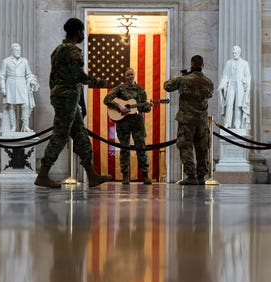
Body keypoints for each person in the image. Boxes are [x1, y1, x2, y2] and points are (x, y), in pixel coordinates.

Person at [34, 17, 112, 188]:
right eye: (82, 32)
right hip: (67, 98)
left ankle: (92, 175)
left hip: (63, 97)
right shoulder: (72, 51)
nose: (83, 35)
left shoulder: (57, 50)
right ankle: (42, 174)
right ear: (78, 32)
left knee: (80, 135)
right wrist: (102, 83)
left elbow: (53, 77)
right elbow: (80, 77)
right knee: (61, 135)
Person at [164, 55, 214, 185]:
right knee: (202, 149)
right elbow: (209, 94)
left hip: (186, 121)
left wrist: (183, 76)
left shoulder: (184, 79)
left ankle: (191, 176)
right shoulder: (209, 82)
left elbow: (167, 86)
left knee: (185, 147)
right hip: (201, 122)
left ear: (191, 64)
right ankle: (201, 177)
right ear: (203, 66)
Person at [103, 68, 153, 185]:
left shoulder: (140, 90)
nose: (130, 77)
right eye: (128, 75)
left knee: (141, 147)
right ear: (125, 77)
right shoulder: (120, 89)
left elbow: (143, 108)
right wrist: (119, 107)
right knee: (124, 148)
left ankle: (145, 175)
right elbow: (107, 99)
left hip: (137, 122)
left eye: (132, 74)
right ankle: (125, 175)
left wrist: (149, 106)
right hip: (123, 123)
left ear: (134, 75)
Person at [0, 43, 39, 133]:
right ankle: (13, 126)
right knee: (11, 106)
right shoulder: (6, 61)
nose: (18, 52)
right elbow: (2, 75)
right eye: (16, 50)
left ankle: (25, 126)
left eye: (19, 50)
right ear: (12, 51)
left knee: (25, 104)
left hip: (22, 84)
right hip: (11, 84)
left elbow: (28, 73)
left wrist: (31, 81)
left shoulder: (24, 61)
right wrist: (3, 88)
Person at [218, 45, 251, 129]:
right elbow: (225, 76)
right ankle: (227, 123)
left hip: (240, 86)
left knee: (238, 105)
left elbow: (248, 76)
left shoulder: (244, 63)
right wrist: (222, 85)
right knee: (229, 104)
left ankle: (237, 124)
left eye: (235, 52)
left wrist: (245, 81)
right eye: (233, 52)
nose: (234, 54)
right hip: (231, 85)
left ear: (239, 52)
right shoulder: (228, 63)